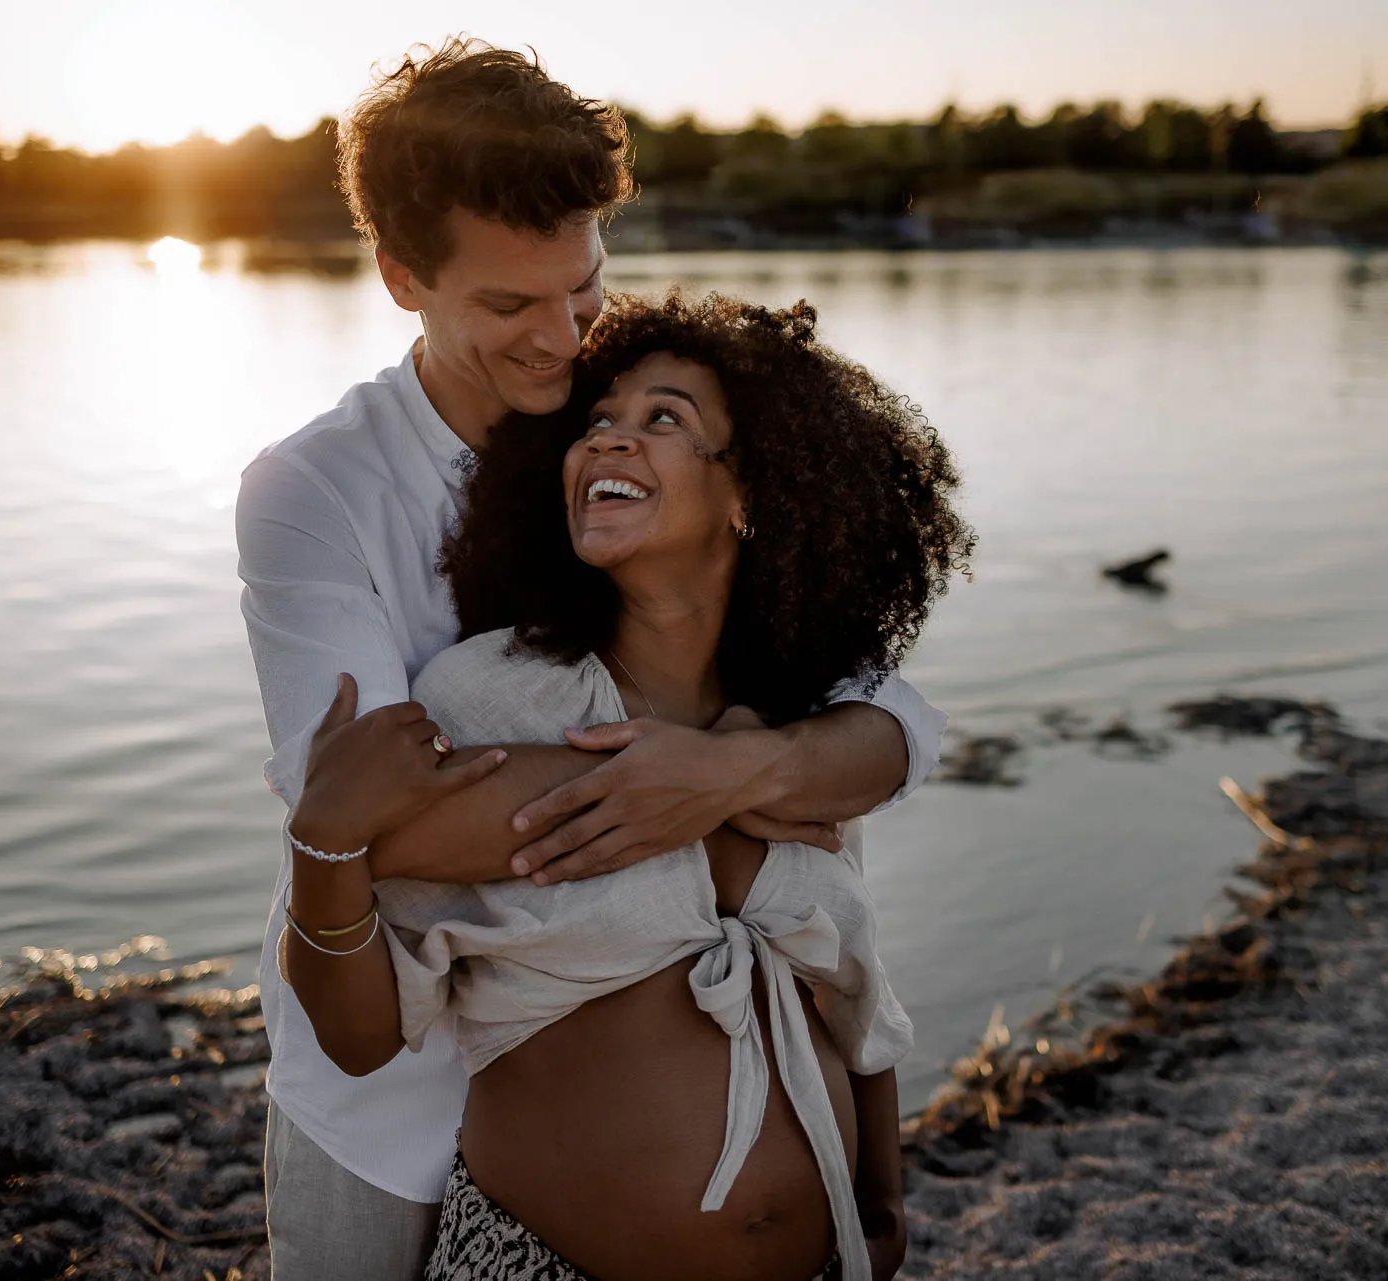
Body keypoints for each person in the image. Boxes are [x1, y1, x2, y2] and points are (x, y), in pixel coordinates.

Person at [235, 42, 949, 1279]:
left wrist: (745, 764)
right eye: (510, 307)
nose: (563, 343)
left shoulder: (625, 412)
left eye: (583, 290)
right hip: (391, 1088)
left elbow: (889, 725)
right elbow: (368, 818)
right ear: (405, 278)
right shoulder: (318, 489)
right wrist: (713, 791)